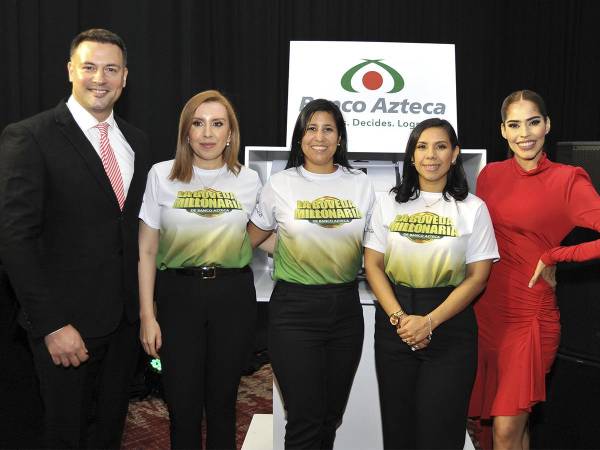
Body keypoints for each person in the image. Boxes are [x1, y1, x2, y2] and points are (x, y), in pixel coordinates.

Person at [0, 29, 150, 448]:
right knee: (64, 436)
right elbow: (15, 240)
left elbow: (133, 232)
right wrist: (50, 324)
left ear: (125, 77)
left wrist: (144, 310)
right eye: (89, 67)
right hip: (66, 328)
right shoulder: (31, 137)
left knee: (109, 433)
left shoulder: (136, 141)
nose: (99, 78)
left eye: (111, 69)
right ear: (70, 70)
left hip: (123, 328)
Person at [468, 89, 600, 450]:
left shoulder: (568, 180)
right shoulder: (490, 176)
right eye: (514, 125)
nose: (524, 134)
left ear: (547, 125)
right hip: (486, 311)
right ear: (502, 130)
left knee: (505, 431)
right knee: (493, 431)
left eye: (533, 122)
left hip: (530, 316)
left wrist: (556, 255)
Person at [364, 118, 499, 449]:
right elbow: (373, 265)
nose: (431, 155)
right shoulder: (387, 203)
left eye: (441, 147)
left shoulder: (473, 208)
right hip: (396, 324)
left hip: (450, 325)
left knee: (441, 432)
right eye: (422, 147)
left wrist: (429, 322)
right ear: (412, 155)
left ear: (454, 154)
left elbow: (478, 277)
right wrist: (400, 319)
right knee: (398, 430)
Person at [248, 98, 375, 449]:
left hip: (345, 310)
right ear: (300, 137)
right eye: (311, 128)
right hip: (294, 311)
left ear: (340, 138)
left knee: (330, 416)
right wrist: (291, 248)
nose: (319, 137)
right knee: (304, 419)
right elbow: (251, 238)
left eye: (328, 129)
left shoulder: (360, 184)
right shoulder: (281, 183)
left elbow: (372, 242)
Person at [138, 90, 261, 450]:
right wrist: (147, 315)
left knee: (223, 404)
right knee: (182, 405)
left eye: (217, 124)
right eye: (198, 123)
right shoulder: (162, 175)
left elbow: (260, 234)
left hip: (233, 297)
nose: (208, 133)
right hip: (178, 296)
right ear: (186, 133)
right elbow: (147, 249)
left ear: (230, 134)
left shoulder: (249, 179)